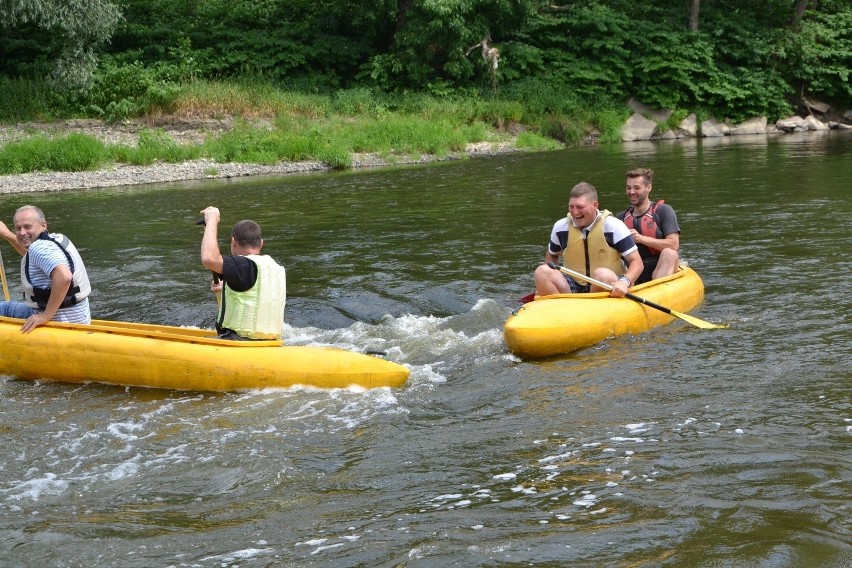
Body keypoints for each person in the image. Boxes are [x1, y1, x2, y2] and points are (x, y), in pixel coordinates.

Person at [533, 182, 643, 297]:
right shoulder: (561, 227)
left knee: (602, 274)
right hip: (573, 285)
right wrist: (543, 285)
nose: (575, 212)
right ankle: (565, 309)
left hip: (607, 284)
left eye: (580, 207)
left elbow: (637, 262)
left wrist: (624, 282)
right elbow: (552, 256)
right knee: (542, 272)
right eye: (571, 207)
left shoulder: (613, 226)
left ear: (595, 205)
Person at [0, 205, 91, 332]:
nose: (22, 232)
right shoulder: (54, 239)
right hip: (79, 316)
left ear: (43, 225)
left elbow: (64, 277)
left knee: (4, 309)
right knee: (6, 307)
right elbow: (31, 256)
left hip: (57, 320)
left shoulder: (39, 248)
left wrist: (45, 316)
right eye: (18, 228)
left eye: (28, 227)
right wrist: (6, 234)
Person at [200, 206, 286, 340]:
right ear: (261, 243)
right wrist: (229, 288)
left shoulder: (243, 265)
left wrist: (211, 221)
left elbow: (209, 259)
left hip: (240, 342)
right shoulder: (276, 268)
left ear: (234, 242)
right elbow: (257, 295)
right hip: (272, 341)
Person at [616, 168, 680, 284]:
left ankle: (660, 290)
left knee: (670, 253)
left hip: (660, 267)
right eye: (628, 188)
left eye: (636, 188)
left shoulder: (663, 211)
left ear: (648, 188)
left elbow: (674, 244)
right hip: (633, 271)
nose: (631, 192)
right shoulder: (620, 218)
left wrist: (641, 239)